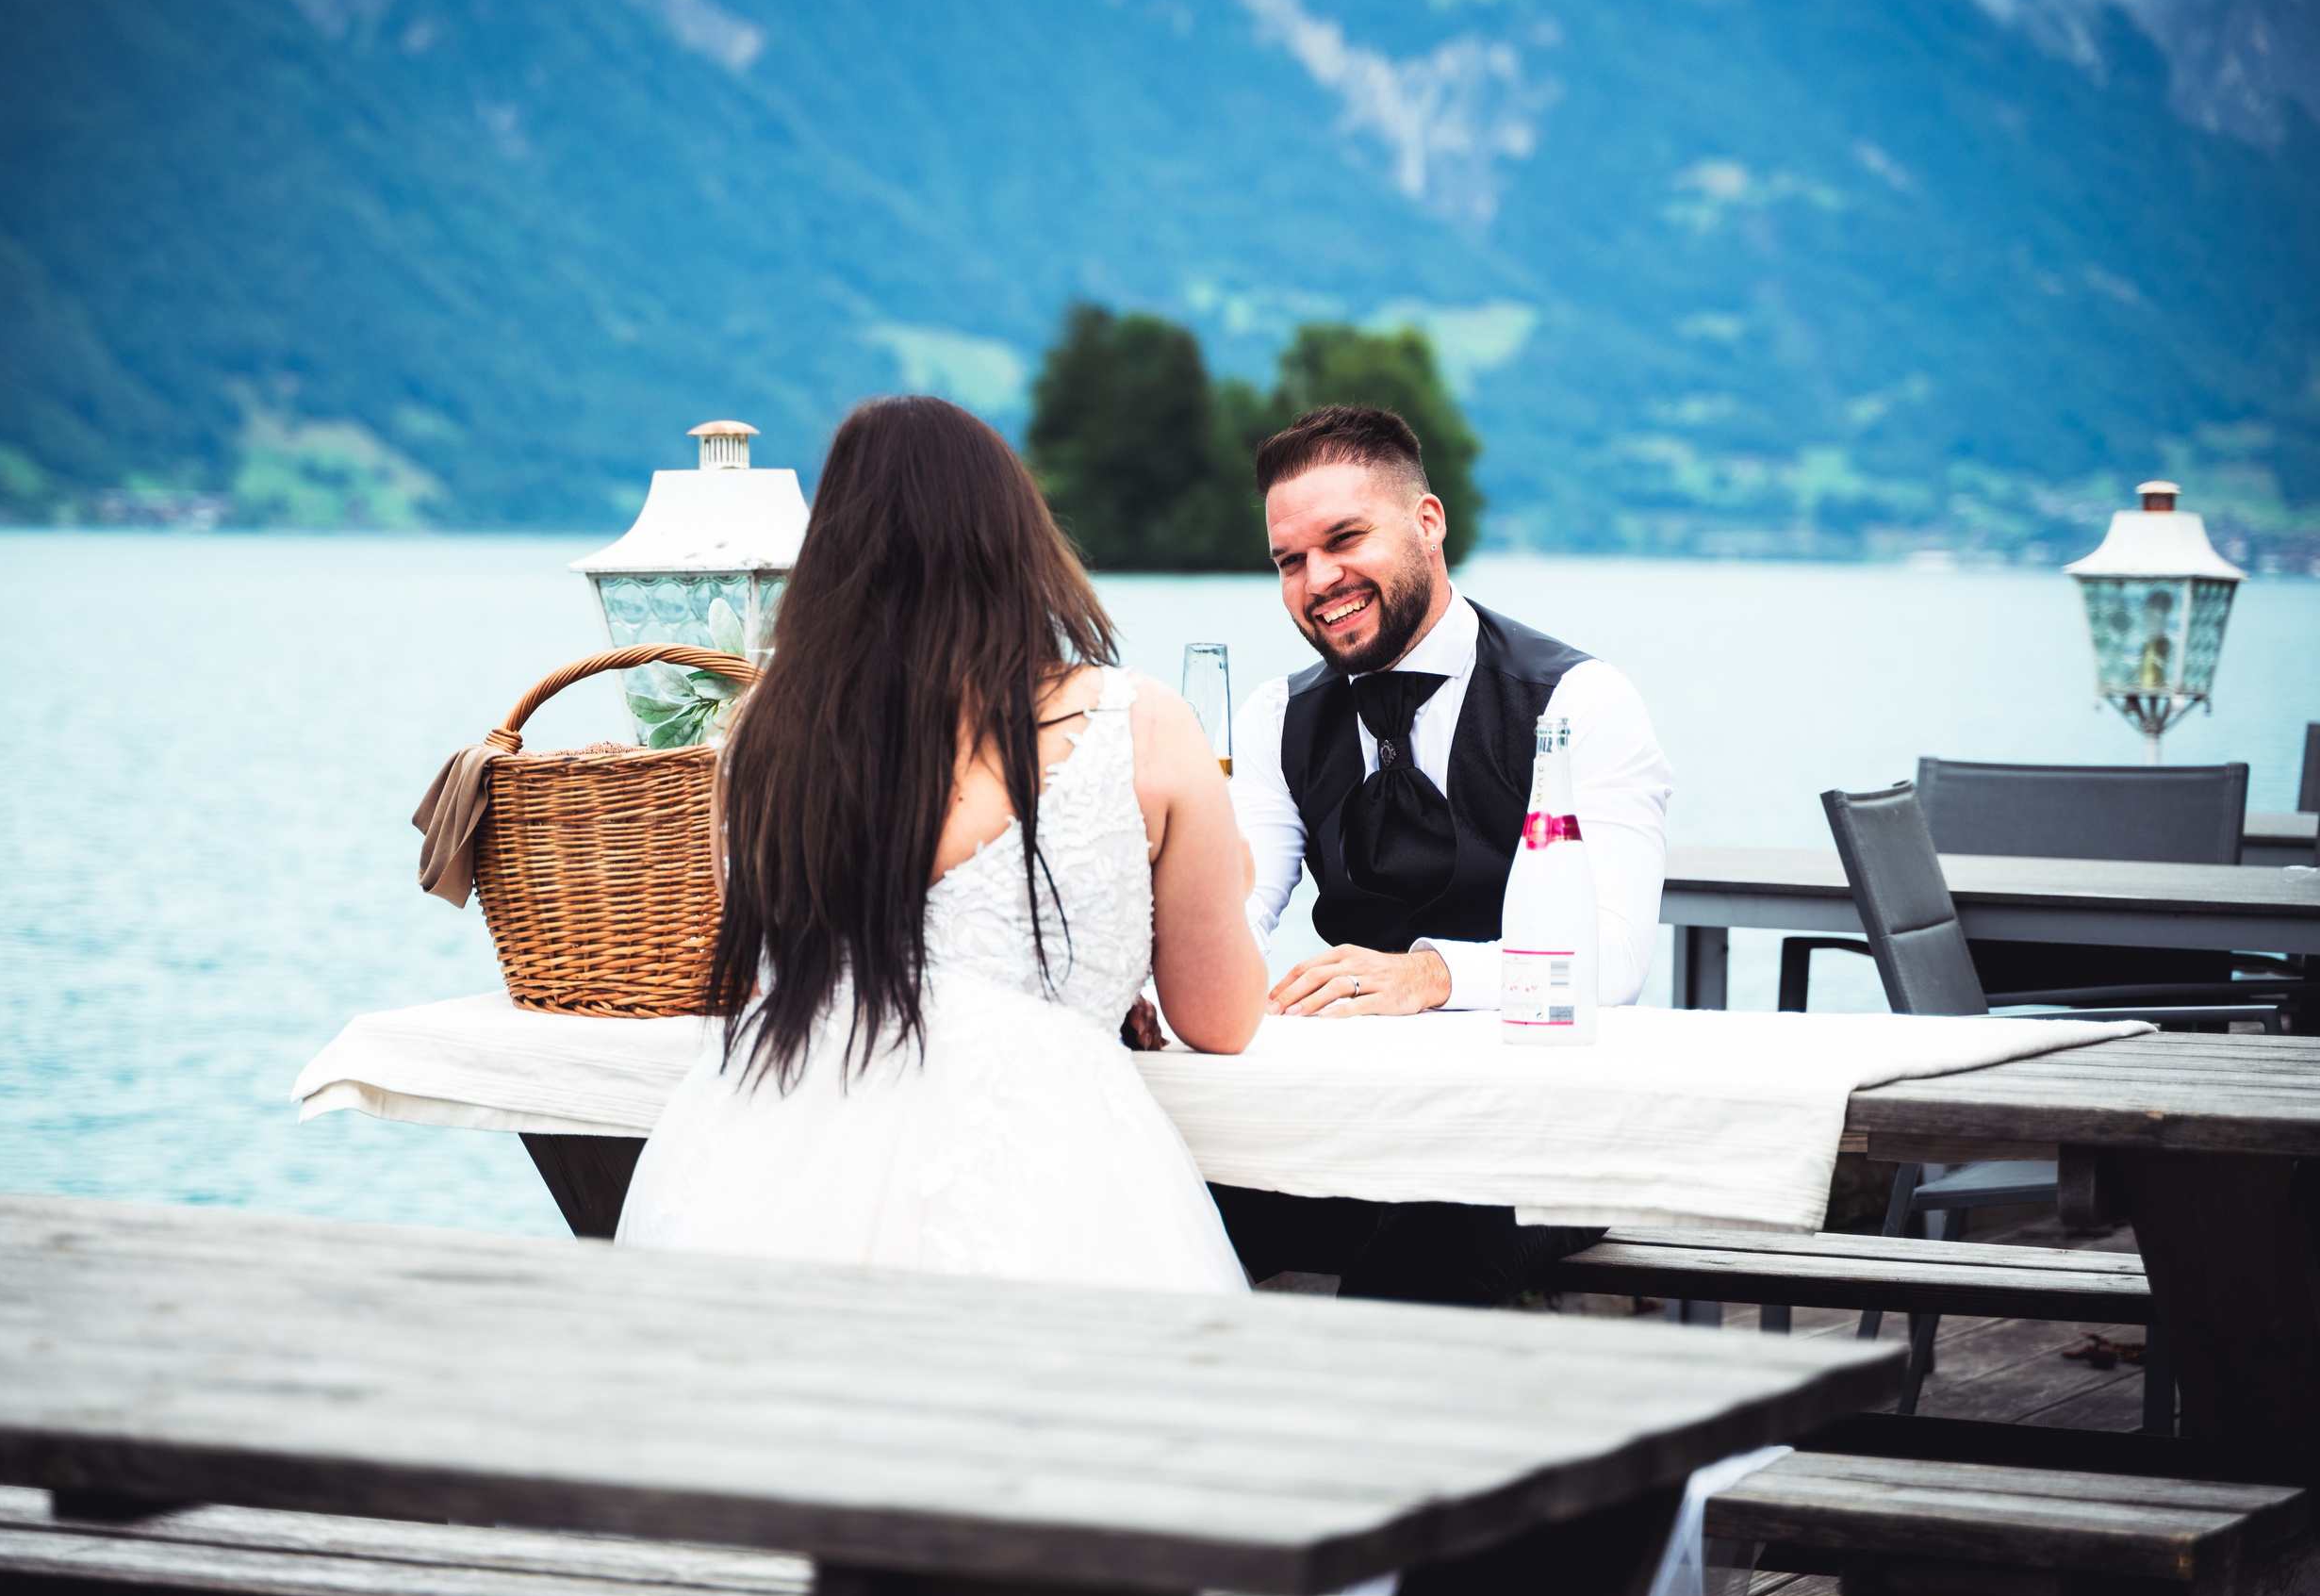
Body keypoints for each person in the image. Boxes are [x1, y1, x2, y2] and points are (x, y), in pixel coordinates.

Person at [618, 395, 1266, 1293]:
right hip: (1045, 1167)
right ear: (1015, 540)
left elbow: (770, 970)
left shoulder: (760, 742)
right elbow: (1223, 1019)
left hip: (774, 1143)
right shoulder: (1140, 723)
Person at [1218, 404, 1673, 1305]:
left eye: (1345, 539)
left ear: (1428, 524)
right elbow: (1235, 904)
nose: (1319, 580)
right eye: (1289, 561)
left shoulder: (1581, 699)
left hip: (1542, 1141)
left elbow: (1611, 965)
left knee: (1409, 1279)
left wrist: (1427, 977)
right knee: (1169, 1226)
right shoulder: (1277, 716)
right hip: (1351, 1124)